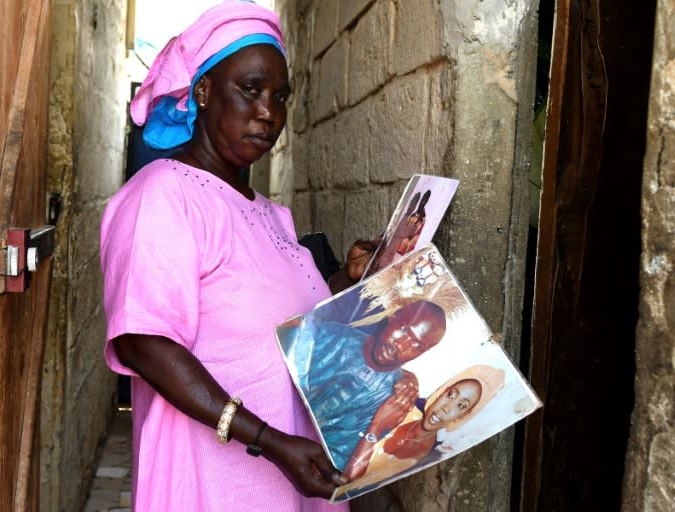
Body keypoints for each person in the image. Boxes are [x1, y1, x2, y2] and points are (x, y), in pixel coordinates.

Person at [99, 1, 376, 510]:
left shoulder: (270, 214)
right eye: (250, 90)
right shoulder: (162, 196)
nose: (268, 112)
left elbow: (278, 322)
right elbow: (144, 342)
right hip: (213, 487)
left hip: (292, 482)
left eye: (280, 96)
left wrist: (348, 280)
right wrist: (267, 440)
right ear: (203, 91)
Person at [278, 299, 447, 471]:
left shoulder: (393, 402)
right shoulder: (331, 335)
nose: (400, 346)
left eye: (416, 346)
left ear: (423, 353)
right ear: (393, 317)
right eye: (404, 330)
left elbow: (342, 464)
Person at [341, 364, 506, 483]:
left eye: (461, 406)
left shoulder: (426, 459)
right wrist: (408, 376)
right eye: (450, 395)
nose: (447, 408)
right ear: (441, 393)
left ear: (462, 417)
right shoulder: (406, 405)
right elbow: (372, 368)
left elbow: (350, 479)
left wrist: (376, 427)